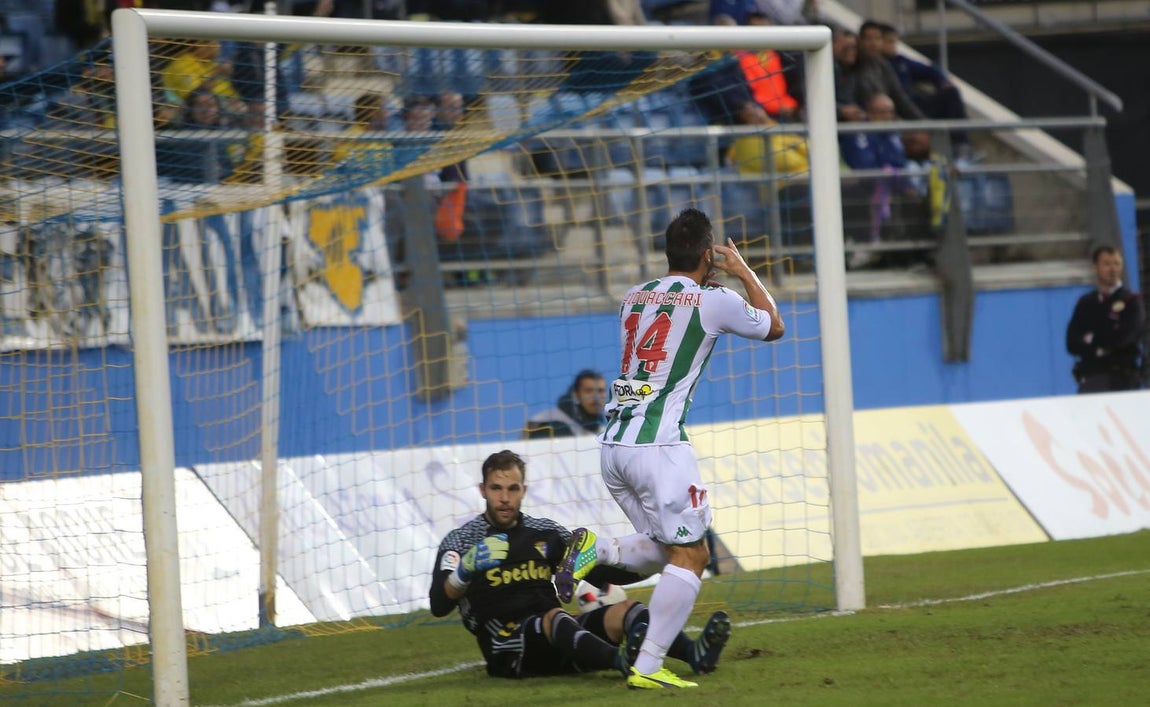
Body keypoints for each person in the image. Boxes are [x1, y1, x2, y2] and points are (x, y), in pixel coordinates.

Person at [554, 208, 784, 689]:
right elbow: (773, 325)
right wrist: (742, 270)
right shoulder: (714, 299)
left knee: (666, 549)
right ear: (708, 254)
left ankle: (598, 549)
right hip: (658, 446)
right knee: (693, 554)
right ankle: (649, 666)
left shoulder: (633, 297)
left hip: (614, 445)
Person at [428, 449, 732, 682]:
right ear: (483, 490)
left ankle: (695, 654)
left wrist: (656, 560)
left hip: (562, 635)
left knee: (629, 611)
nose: (505, 498)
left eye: (513, 489)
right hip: (506, 647)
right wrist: (463, 571)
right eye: (496, 488)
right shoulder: (462, 541)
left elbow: (601, 573)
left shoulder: (544, 532)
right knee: (555, 617)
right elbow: (439, 605)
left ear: (524, 490)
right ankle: (621, 661)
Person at [1065, 246, 1145, 393]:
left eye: (1116, 263)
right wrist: (1102, 344)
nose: (1113, 269)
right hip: (1091, 376)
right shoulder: (1086, 302)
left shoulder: (1131, 301)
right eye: (1107, 264)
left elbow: (1125, 338)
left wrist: (1092, 338)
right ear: (1095, 267)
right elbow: (1072, 343)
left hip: (1123, 378)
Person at [523, 370, 608, 439]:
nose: (596, 396)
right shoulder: (549, 421)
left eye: (600, 391)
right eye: (589, 391)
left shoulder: (604, 431)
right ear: (576, 395)